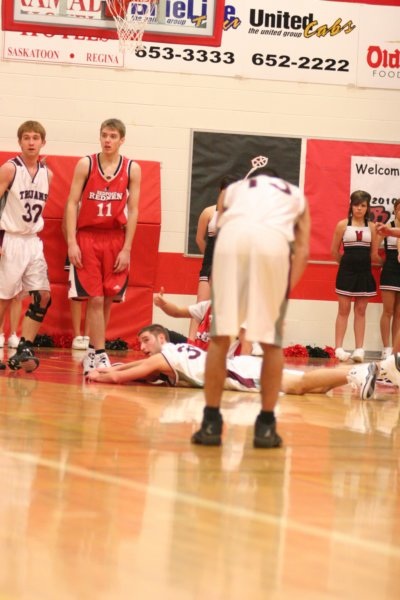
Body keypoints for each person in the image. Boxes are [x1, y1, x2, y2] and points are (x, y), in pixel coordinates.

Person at [189, 166, 310, 449]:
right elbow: (303, 252)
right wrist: (283, 292)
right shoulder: (296, 195)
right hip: (272, 246)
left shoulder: (234, 190)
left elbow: (219, 228)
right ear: (279, 182)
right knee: (271, 344)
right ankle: (266, 426)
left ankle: (210, 422)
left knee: (220, 338)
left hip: (232, 243)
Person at [87, 324, 379, 403]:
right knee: (313, 390)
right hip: (238, 367)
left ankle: (358, 370)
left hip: (237, 371)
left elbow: (124, 376)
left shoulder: (164, 356)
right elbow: (131, 371)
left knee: (299, 385)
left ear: (161, 338)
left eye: (146, 340)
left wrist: (100, 374)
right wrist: (112, 368)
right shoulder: (172, 352)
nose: (142, 348)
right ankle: (355, 374)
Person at [65, 118, 141, 374]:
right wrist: (72, 242)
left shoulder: (132, 168)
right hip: (88, 236)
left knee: (107, 299)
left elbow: (134, 209)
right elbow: (71, 203)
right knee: (95, 299)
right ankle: (100, 353)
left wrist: (127, 248)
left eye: (113, 136)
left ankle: (92, 352)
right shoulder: (86, 164)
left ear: (122, 140)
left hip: (115, 238)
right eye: (104, 135)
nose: (107, 140)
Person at [0, 120, 53, 372]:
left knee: (43, 295)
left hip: (32, 241)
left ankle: (25, 347)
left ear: (43, 142)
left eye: (35, 138)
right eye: (26, 138)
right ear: (20, 142)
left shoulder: (47, 174)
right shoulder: (10, 169)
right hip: (9, 238)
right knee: (4, 298)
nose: (31, 142)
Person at [331, 190, 382, 363]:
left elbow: (374, 254)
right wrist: (346, 265)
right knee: (343, 309)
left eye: (363, 205)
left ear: (367, 207)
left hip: (364, 272)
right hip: (346, 272)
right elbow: (334, 251)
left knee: (360, 310)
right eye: (356, 205)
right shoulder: (342, 225)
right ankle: (338, 348)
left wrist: (385, 264)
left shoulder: (372, 227)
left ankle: (359, 349)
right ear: (351, 206)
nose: (359, 208)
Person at [188, 175, 239, 341]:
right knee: (200, 303)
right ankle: (191, 341)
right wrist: (210, 257)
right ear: (220, 191)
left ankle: (227, 343)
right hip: (209, 265)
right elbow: (199, 239)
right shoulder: (208, 212)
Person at [378, 199, 400, 359]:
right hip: (390, 269)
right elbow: (374, 247)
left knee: (399, 313)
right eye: (399, 209)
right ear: (395, 210)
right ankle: (386, 347)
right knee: (388, 311)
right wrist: (382, 263)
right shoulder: (388, 227)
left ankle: (396, 351)